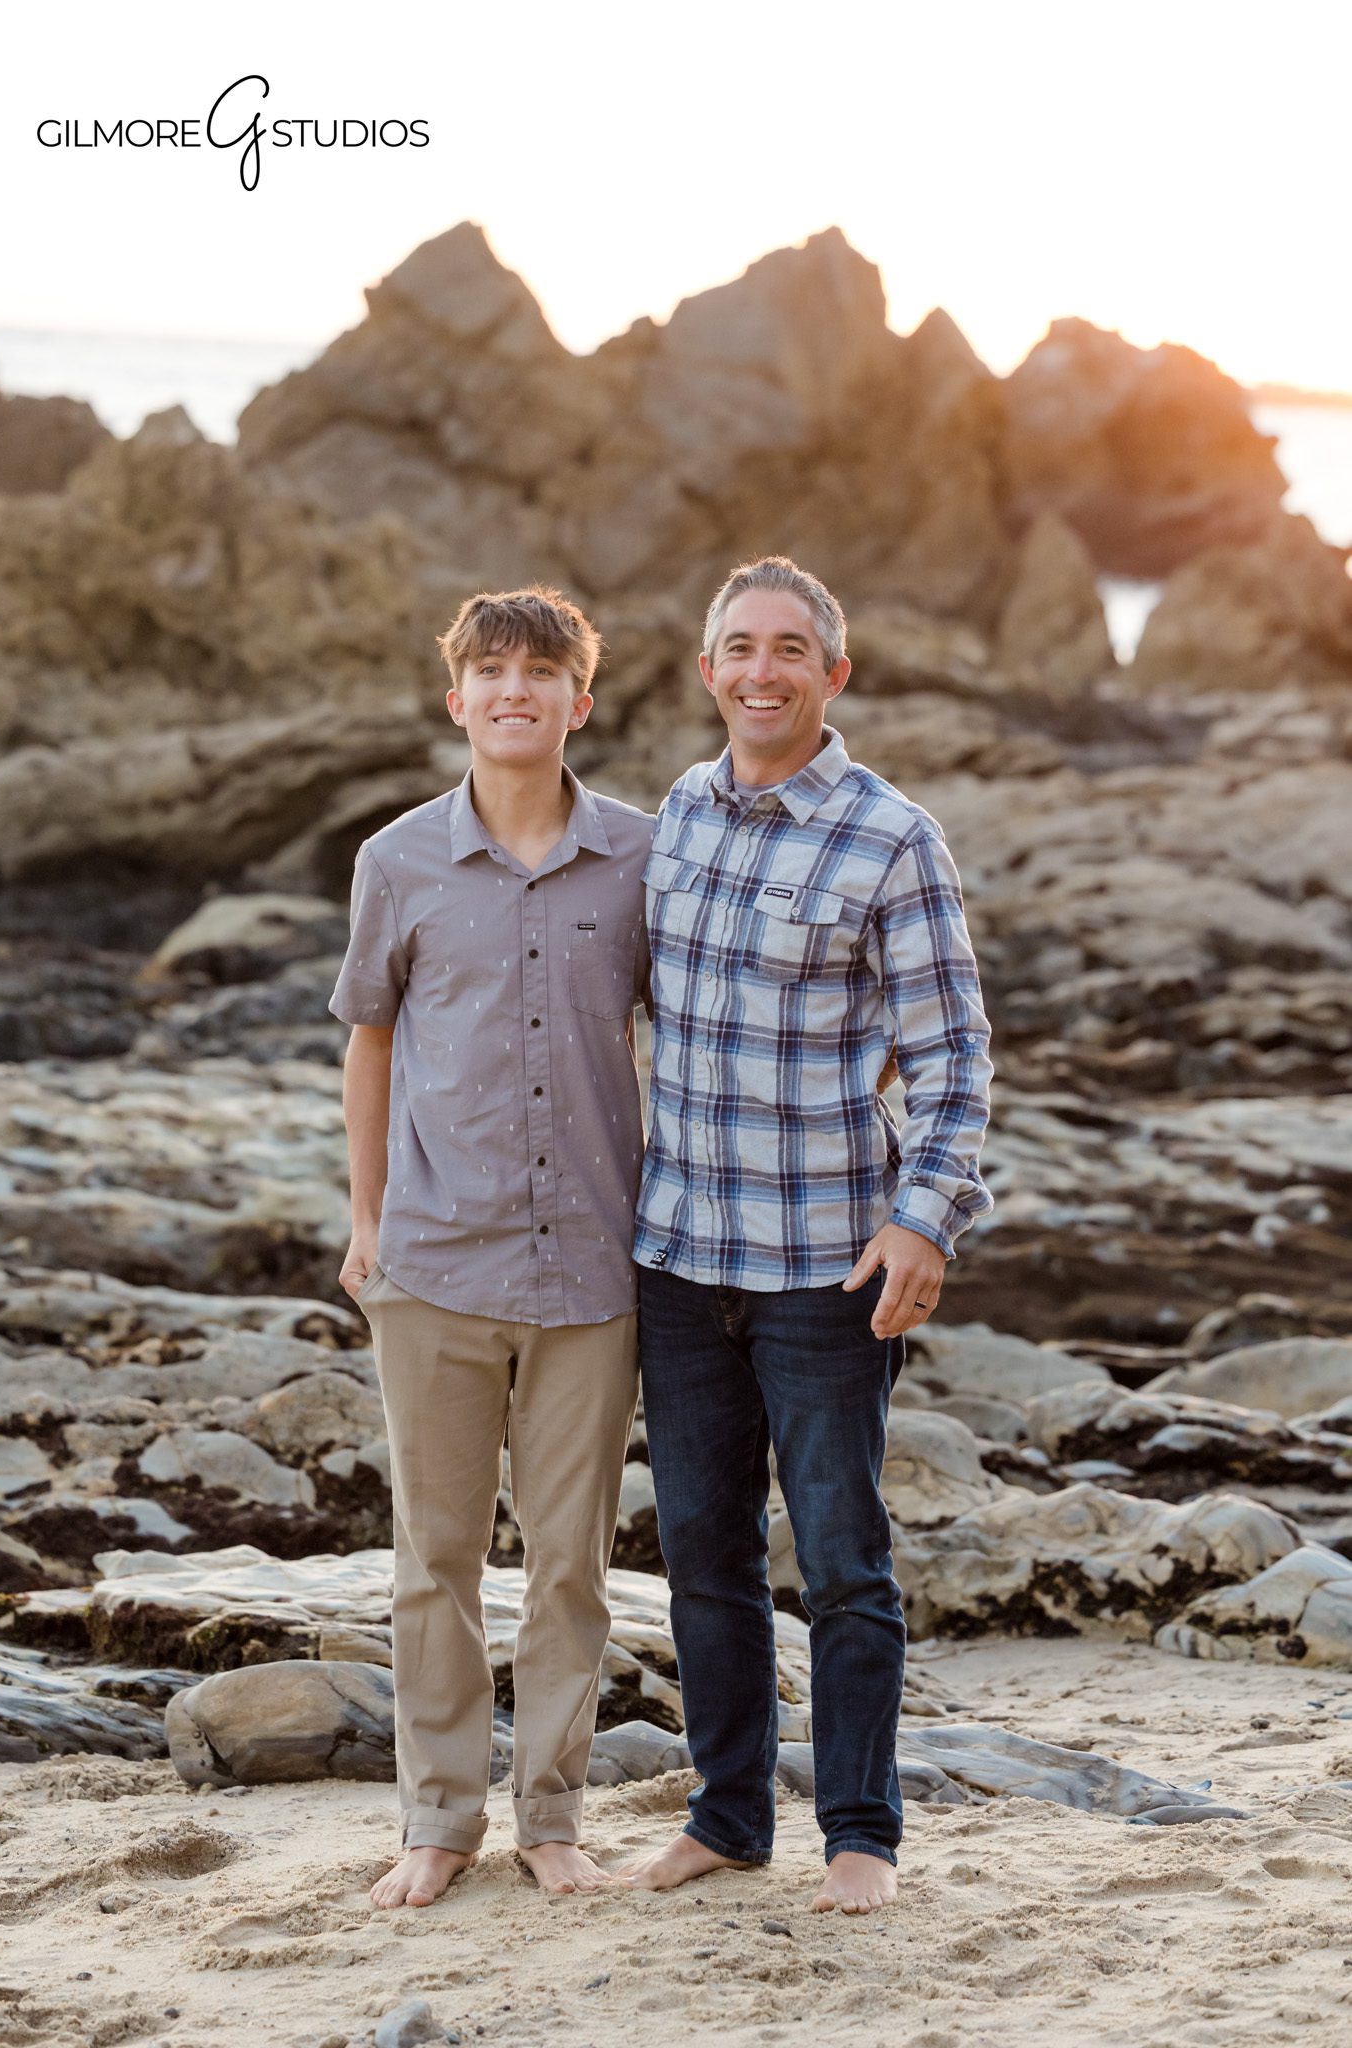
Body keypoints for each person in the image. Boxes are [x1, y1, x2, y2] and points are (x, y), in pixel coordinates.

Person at [622, 556, 994, 1914]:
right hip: (676, 1257)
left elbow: (952, 1060)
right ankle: (725, 1818)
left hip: (826, 1268)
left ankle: (859, 1837)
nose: (761, 670)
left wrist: (923, 1224)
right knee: (701, 1553)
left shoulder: (891, 837)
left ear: (832, 675)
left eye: (790, 649)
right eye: (739, 647)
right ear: (707, 670)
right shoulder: (675, 813)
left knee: (841, 1558)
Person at [329, 586, 653, 1906]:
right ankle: (438, 1821)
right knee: (436, 1560)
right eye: (491, 673)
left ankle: (555, 1818)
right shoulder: (395, 862)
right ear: (456, 698)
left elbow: (686, 1040)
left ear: (581, 700)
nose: (514, 692)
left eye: (542, 672)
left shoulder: (642, 858)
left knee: (571, 1563)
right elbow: (370, 1039)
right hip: (433, 1265)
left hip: (593, 1272)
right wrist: (363, 1223)